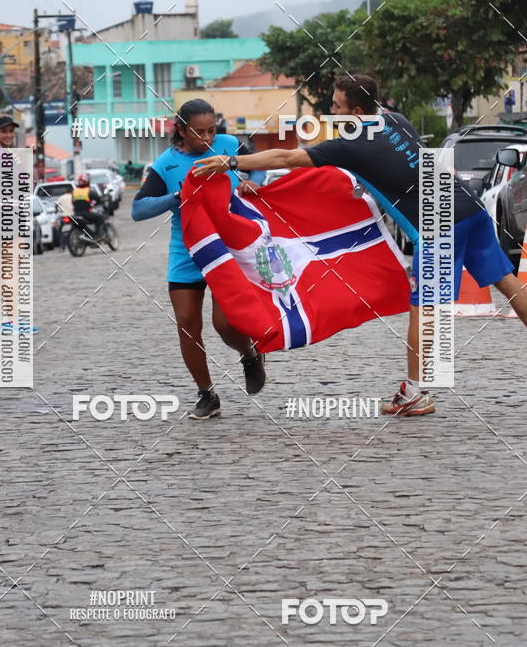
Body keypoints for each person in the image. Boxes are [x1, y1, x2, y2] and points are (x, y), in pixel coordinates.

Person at [193, 74, 527, 417]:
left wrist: (232, 162)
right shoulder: (397, 121)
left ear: (355, 111)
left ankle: (415, 393)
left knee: (424, 310)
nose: (332, 112)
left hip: (437, 226)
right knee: (507, 281)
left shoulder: (351, 145)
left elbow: (287, 158)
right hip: (469, 206)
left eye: (336, 106)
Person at [131, 98, 266, 419]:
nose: (207, 139)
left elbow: (259, 166)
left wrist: (252, 182)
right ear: (180, 130)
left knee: (225, 322)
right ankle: (207, 394)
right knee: (187, 324)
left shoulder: (229, 145)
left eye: (211, 131)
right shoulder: (166, 164)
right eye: (198, 132)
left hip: (226, 246)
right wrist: (175, 197)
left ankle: (249, 356)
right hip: (187, 249)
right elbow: (138, 209)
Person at [0, 116, 38, 334]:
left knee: (1, 268)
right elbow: (25, 183)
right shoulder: (1, 155)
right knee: (9, 269)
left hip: (2, 210)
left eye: (10, 131)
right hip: (6, 212)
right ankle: (11, 321)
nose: (8, 135)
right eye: (3, 131)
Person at [72, 173, 105, 239]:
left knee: (82, 225)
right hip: (85, 213)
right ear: (88, 181)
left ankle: (90, 236)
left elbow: (73, 202)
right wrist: (93, 205)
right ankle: (97, 236)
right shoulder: (88, 191)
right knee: (99, 218)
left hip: (76, 214)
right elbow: (98, 200)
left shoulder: (75, 191)